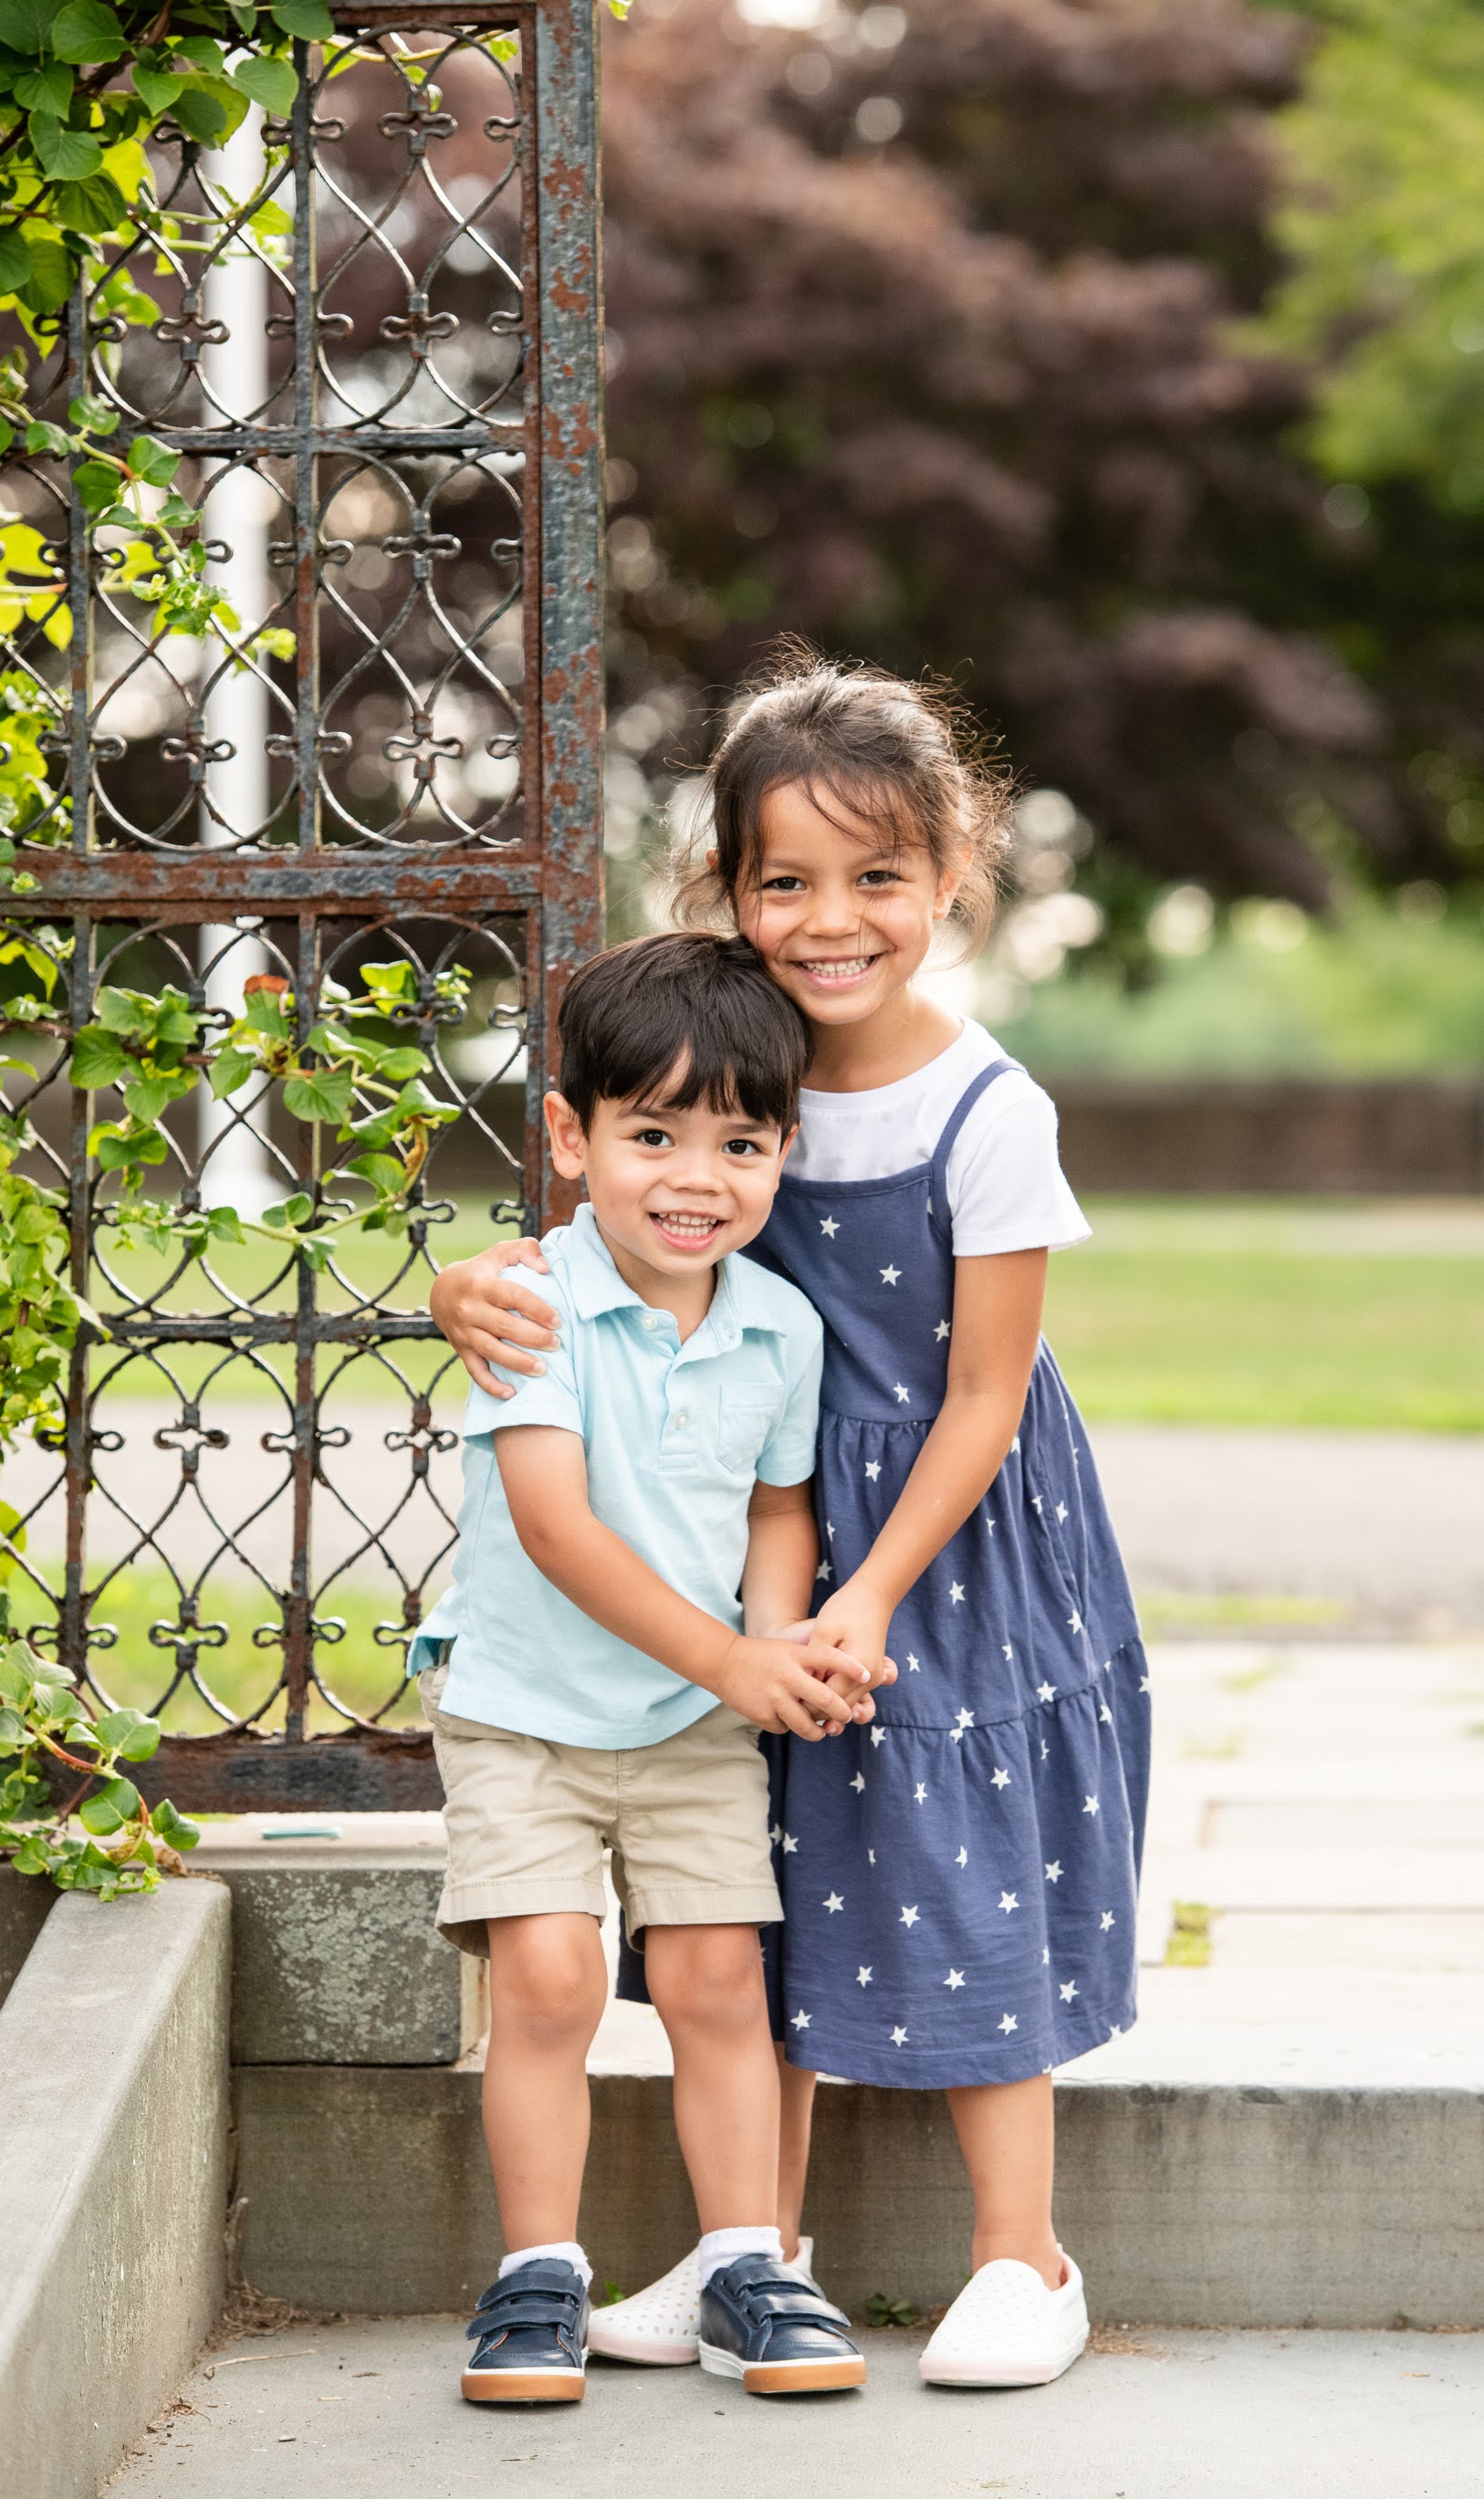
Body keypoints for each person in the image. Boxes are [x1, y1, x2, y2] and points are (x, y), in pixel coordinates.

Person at [429, 647, 1151, 2391]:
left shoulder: (985, 1108)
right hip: (762, 1544)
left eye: (877, 876)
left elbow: (982, 1394)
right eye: (785, 880)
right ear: (726, 890)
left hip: (941, 1543)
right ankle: (763, 2252)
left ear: (951, 881)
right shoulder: (711, 1070)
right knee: (773, 1889)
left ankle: (1019, 2254)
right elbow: (580, 1250)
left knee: (978, 1853)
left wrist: (869, 1589)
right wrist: (466, 1287)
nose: (830, 918)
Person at [410, 929, 876, 2405]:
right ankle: (535, 2274)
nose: (696, 1175)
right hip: (526, 1711)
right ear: (570, 1134)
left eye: (740, 1141)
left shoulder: (779, 1324)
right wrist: (737, 1660)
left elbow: (779, 1505)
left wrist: (780, 1647)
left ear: (784, 1146)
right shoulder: (530, 1300)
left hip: (693, 1720)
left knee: (718, 1976)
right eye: (652, 1132)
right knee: (547, 1976)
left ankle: (749, 2260)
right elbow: (554, 1528)